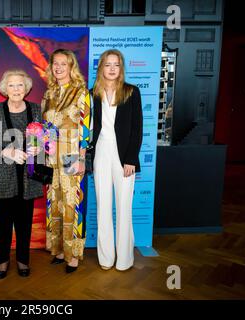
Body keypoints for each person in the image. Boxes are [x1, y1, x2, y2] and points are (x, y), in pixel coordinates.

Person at [0, 69, 43, 279]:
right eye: (11, 85)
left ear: (26, 88)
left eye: (20, 85)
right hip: (2, 177)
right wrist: (5, 151)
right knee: (3, 224)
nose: (16, 89)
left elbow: (44, 141)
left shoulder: (36, 109)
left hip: (27, 177)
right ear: (4, 89)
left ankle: (23, 260)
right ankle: (2, 261)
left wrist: (40, 148)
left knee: (25, 223)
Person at [90, 49, 143, 271]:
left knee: (123, 207)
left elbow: (137, 128)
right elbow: (88, 129)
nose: (112, 69)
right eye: (108, 64)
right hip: (101, 152)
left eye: (116, 65)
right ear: (101, 67)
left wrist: (131, 159)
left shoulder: (131, 92)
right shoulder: (92, 93)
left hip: (124, 157)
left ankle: (124, 260)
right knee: (103, 206)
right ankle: (105, 258)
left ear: (121, 68)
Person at [42, 49, 90, 273]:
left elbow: (86, 128)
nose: (59, 67)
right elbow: (43, 129)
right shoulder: (48, 93)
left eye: (64, 63)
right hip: (52, 156)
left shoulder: (81, 92)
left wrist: (81, 158)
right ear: (51, 67)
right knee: (56, 203)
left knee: (72, 204)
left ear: (72, 67)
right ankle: (59, 250)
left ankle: (74, 255)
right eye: (55, 64)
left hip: (71, 153)